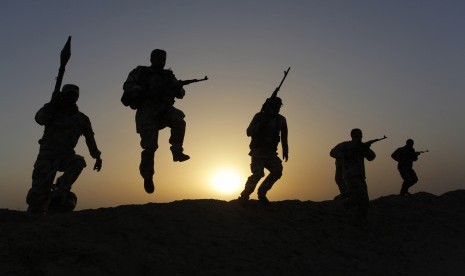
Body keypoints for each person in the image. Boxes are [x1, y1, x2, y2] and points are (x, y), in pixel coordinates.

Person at [26, 84, 102, 214]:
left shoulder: (82, 119)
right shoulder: (52, 110)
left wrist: (97, 156)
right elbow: (39, 119)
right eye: (68, 95)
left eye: (74, 95)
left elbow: (90, 138)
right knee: (36, 201)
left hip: (65, 156)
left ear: (77, 98)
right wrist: (51, 104)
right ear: (62, 95)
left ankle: (60, 191)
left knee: (78, 162)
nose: (71, 98)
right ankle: (41, 201)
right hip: (47, 156)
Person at [122, 49, 190, 194]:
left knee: (179, 119)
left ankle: (177, 151)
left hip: (164, 109)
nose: (161, 60)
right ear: (152, 58)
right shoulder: (141, 71)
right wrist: (140, 90)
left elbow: (181, 95)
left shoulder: (168, 75)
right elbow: (127, 85)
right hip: (146, 110)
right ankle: (147, 176)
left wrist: (178, 87)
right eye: (158, 57)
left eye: (164, 57)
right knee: (150, 146)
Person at [238, 96, 288, 205]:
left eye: (279, 106)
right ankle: (245, 195)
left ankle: (262, 193)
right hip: (258, 151)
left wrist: (286, 149)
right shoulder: (259, 116)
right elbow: (249, 132)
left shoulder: (281, 119)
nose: (278, 108)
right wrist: (261, 124)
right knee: (258, 173)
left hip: (271, 152)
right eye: (276, 106)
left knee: (277, 171)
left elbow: (284, 135)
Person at [330, 128, 376, 221]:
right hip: (349, 175)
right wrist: (346, 154)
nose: (360, 137)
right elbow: (332, 152)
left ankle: (360, 220)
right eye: (358, 135)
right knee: (357, 196)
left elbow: (372, 157)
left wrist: (366, 148)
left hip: (360, 176)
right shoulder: (345, 145)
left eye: (361, 135)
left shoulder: (362, 147)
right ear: (353, 136)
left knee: (365, 200)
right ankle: (340, 203)